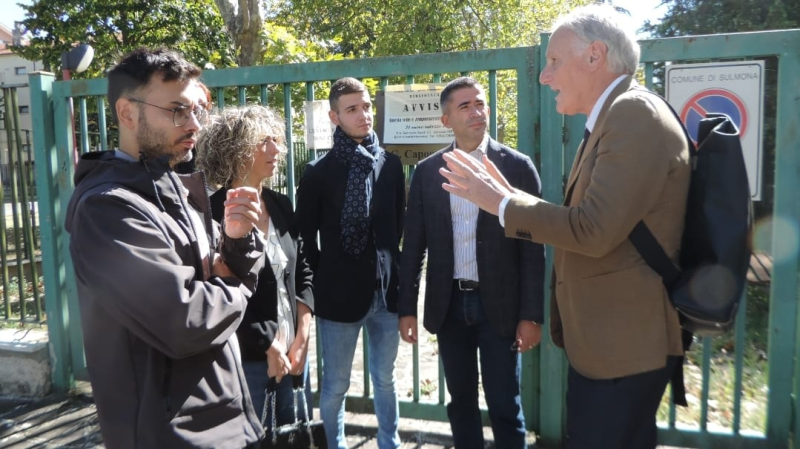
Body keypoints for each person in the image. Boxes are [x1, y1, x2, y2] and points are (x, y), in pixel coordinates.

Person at [439, 5, 691, 449]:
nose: (544, 75)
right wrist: (509, 200)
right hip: (608, 348)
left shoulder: (632, 115)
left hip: (622, 349)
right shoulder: (615, 118)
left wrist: (501, 205)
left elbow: (591, 229)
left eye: (555, 61)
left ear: (595, 56)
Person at [64, 48, 267, 448]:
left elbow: (220, 270)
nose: (193, 123)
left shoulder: (176, 187)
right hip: (170, 435)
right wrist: (239, 282)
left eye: (197, 110)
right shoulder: (107, 209)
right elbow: (185, 321)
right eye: (177, 110)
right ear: (127, 113)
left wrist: (239, 241)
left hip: (227, 420)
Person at [398, 77, 545, 449]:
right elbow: (414, 244)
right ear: (446, 119)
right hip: (449, 307)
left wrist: (531, 314)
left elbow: (533, 251)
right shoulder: (429, 172)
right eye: (465, 106)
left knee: (504, 405)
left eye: (480, 104)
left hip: (499, 307)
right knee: (460, 403)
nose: (477, 112)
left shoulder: (517, 167)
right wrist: (406, 309)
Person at [295, 77, 405, 449]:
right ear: (334, 117)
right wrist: (326, 277)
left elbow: (396, 227)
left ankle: (389, 442)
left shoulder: (390, 165)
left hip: (386, 297)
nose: (364, 115)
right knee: (337, 384)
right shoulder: (318, 172)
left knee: (386, 379)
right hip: (338, 298)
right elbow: (304, 237)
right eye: (353, 109)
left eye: (367, 107)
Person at [196, 104, 315, 426]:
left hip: (293, 350)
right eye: (264, 141)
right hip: (245, 356)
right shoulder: (211, 211)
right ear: (235, 150)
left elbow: (302, 270)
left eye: (276, 139)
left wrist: (303, 334)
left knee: (292, 437)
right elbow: (218, 288)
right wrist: (265, 343)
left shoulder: (279, 203)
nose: (277, 149)